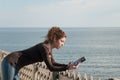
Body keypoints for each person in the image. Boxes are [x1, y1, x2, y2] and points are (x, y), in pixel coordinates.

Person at [1, 26, 80, 80]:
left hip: (15, 65)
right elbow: (51, 67)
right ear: (55, 39)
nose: (63, 44)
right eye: (62, 41)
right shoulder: (44, 48)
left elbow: (53, 63)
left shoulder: (48, 48)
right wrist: (67, 68)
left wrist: (68, 65)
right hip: (10, 62)